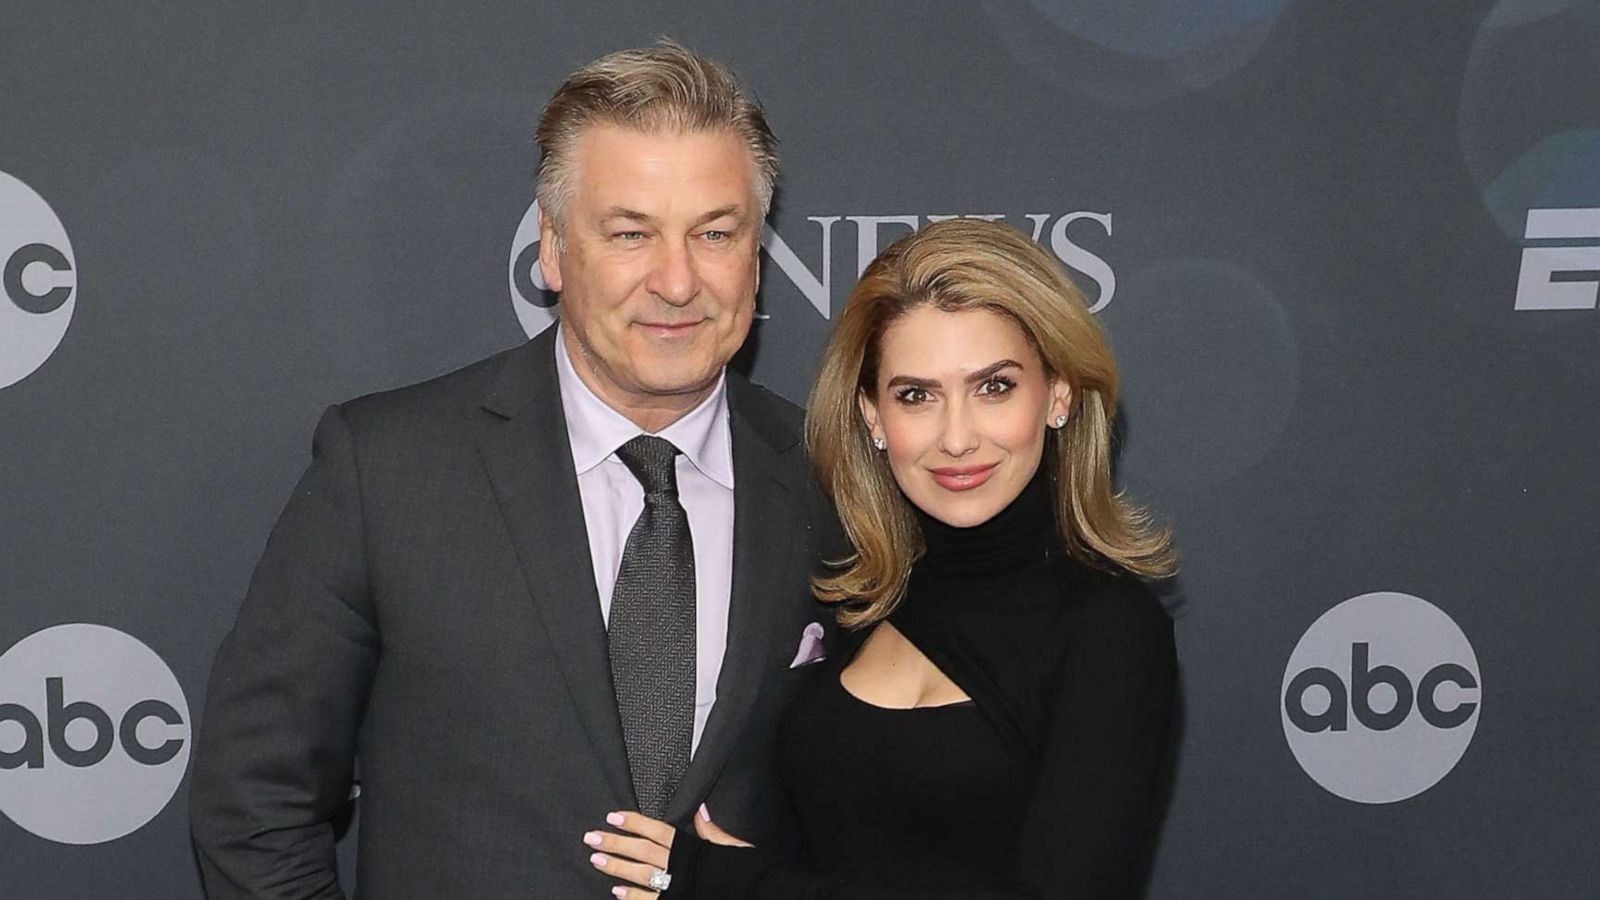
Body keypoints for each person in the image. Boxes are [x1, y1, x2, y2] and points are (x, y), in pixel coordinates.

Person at [189, 42, 835, 898]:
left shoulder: (837, 482)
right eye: (630, 233)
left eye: (714, 233)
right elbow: (253, 802)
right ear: (555, 248)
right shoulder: (387, 471)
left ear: (757, 253)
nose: (677, 281)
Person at [587, 218, 1179, 899]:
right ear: (873, 417)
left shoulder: (1111, 629)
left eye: (994, 387)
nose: (957, 437)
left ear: (1059, 395)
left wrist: (727, 885)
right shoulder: (860, 595)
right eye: (916, 396)